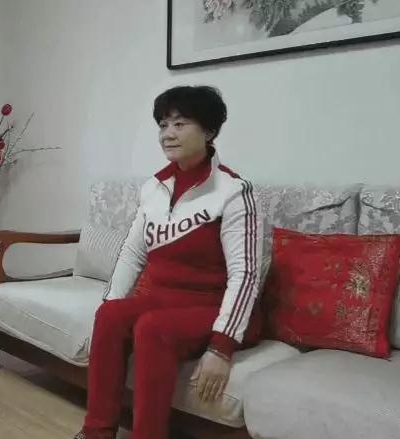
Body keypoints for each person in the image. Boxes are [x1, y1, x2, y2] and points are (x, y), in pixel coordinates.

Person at [76, 86, 264, 439]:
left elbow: (246, 274)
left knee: (152, 327)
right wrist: (111, 304)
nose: (168, 134)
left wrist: (221, 348)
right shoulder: (154, 188)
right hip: (163, 299)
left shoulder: (234, 191)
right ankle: (96, 432)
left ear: (209, 131)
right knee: (110, 315)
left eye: (180, 124)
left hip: (212, 305)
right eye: (163, 125)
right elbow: (133, 253)